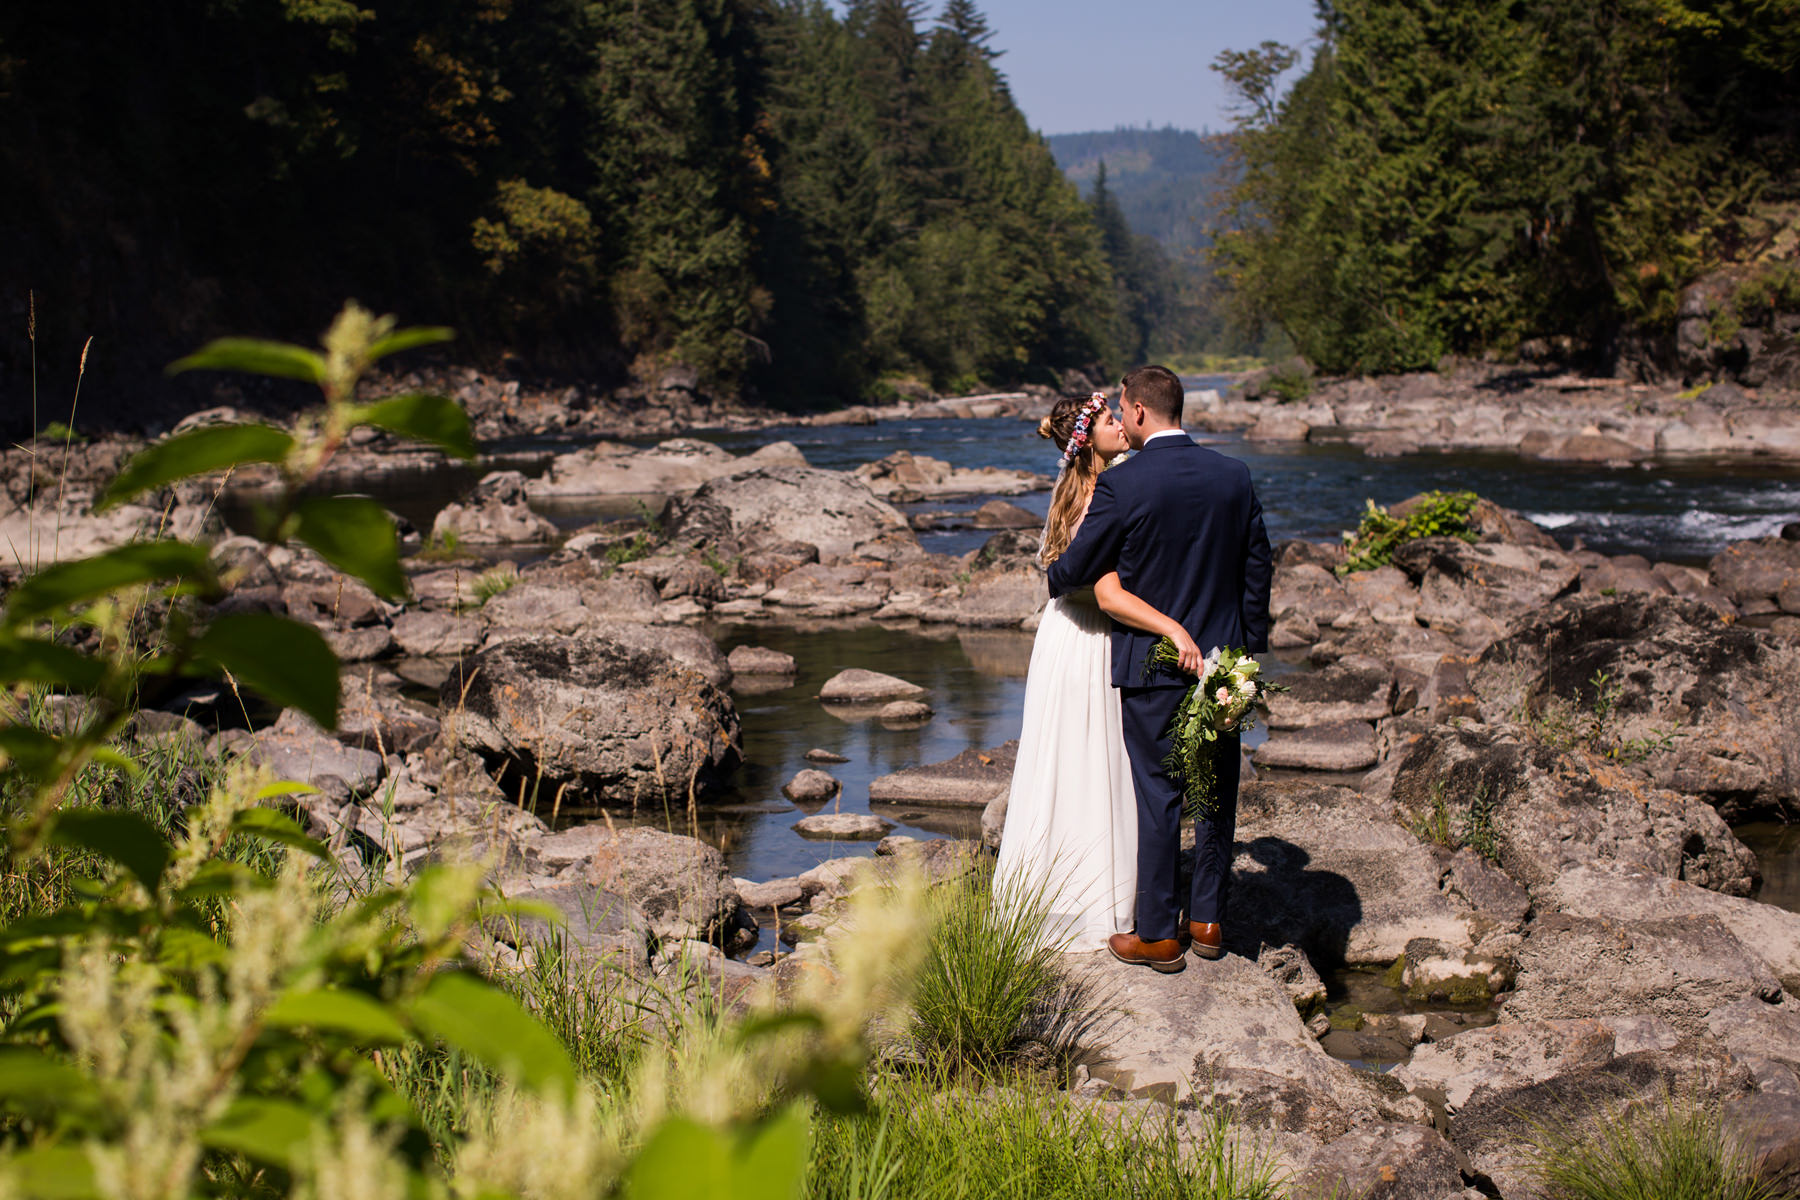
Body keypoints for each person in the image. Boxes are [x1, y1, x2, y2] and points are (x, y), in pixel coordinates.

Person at [1046, 365, 1272, 974]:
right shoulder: (1234, 475)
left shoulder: (1127, 484)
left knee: (1158, 794)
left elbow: (1076, 570)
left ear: (1140, 411)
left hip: (1152, 665)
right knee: (1217, 790)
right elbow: (1257, 571)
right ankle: (1206, 921)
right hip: (1223, 664)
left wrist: (1056, 574)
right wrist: (1246, 652)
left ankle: (1156, 934)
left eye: (1123, 409)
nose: (1122, 419)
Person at [993, 392, 1203, 952]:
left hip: (1061, 636)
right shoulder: (1101, 494)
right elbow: (1107, 594)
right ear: (1089, 439)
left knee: (1068, 762)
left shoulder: (1073, 491)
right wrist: (1171, 627)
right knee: (1101, 761)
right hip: (1091, 638)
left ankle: (1058, 894)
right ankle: (1103, 901)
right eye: (1111, 420)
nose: (1122, 425)